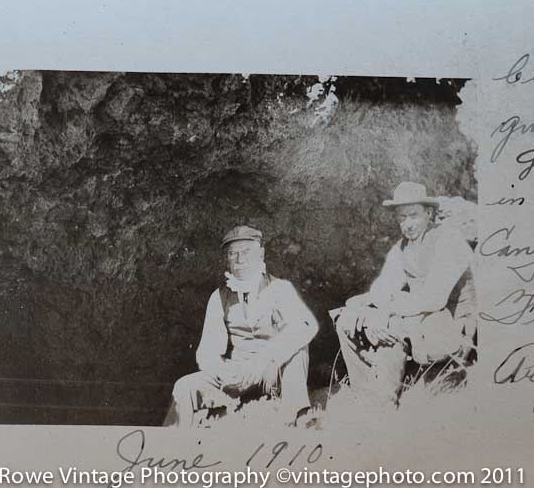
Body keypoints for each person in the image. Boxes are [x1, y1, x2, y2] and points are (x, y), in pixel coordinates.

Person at [332, 181, 476, 404]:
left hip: (452, 322)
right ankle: (365, 392)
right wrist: (377, 308)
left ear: (428, 213)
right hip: (421, 317)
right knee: (347, 317)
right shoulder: (402, 248)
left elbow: (434, 299)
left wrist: (388, 311)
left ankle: (385, 399)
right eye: (402, 218)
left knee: (393, 324)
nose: (408, 224)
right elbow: (381, 288)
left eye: (413, 215)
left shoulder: (449, 240)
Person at [167, 225, 318, 428]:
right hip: (236, 376)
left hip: (271, 373)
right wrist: (223, 372)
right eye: (233, 254)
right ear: (227, 259)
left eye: (246, 252)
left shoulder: (280, 289)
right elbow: (207, 352)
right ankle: (176, 443)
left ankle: (299, 416)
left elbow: (306, 326)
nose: (240, 260)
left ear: (261, 254)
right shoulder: (218, 297)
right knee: (183, 386)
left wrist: (266, 361)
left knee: (298, 348)